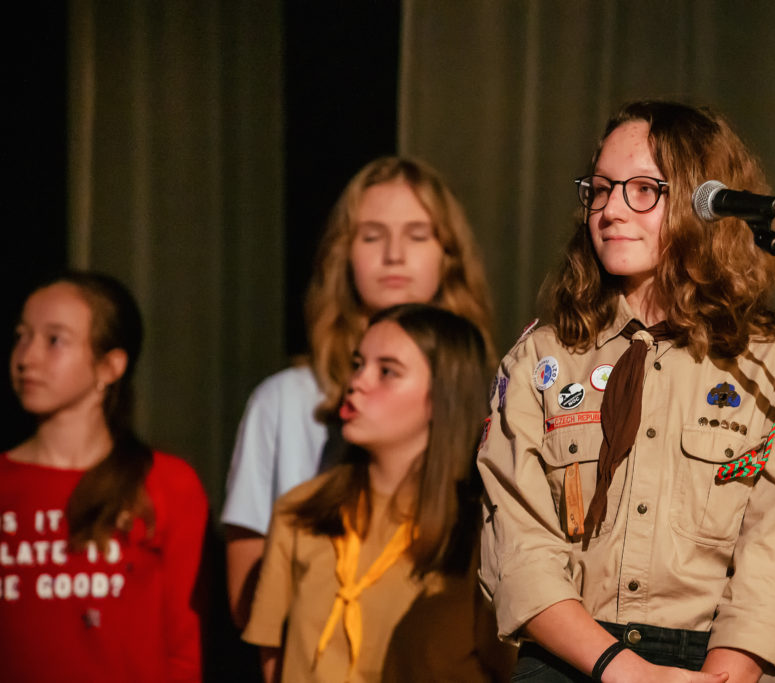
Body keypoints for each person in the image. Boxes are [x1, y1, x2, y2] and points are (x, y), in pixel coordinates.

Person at [477, 100, 775, 682]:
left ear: (704, 201)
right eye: (600, 189)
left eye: (643, 190)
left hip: (704, 665)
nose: (610, 209)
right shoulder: (542, 360)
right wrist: (625, 670)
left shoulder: (773, 374)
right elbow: (519, 550)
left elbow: (772, 568)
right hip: (570, 657)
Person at [221, 156, 494, 628]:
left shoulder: (496, 396)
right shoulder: (283, 400)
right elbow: (252, 603)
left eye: (417, 235)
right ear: (343, 255)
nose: (394, 254)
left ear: (448, 255)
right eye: (371, 236)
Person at [242, 303, 513, 682]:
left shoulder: (480, 533)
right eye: (358, 364)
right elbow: (272, 655)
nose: (357, 382)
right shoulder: (299, 510)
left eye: (387, 371)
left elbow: (506, 668)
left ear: (443, 396)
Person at [0, 271, 208, 682]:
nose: (26, 358)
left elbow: (185, 647)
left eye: (54, 340)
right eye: (22, 336)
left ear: (110, 366)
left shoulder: (165, 483)